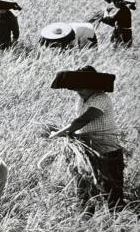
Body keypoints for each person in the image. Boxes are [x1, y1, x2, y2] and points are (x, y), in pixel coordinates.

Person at [49, 66, 124, 211]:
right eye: (76, 88)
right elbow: (78, 123)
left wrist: (59, 134)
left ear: (92, 86)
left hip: (107, 151)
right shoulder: (81, 99)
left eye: (81, 88)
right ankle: (86, 219)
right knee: (84, 189)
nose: (77, 91)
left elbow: (82, 121)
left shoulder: (101, 99)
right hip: (86, 151)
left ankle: (117, 223)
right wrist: (72, 134)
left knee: (112, 193)